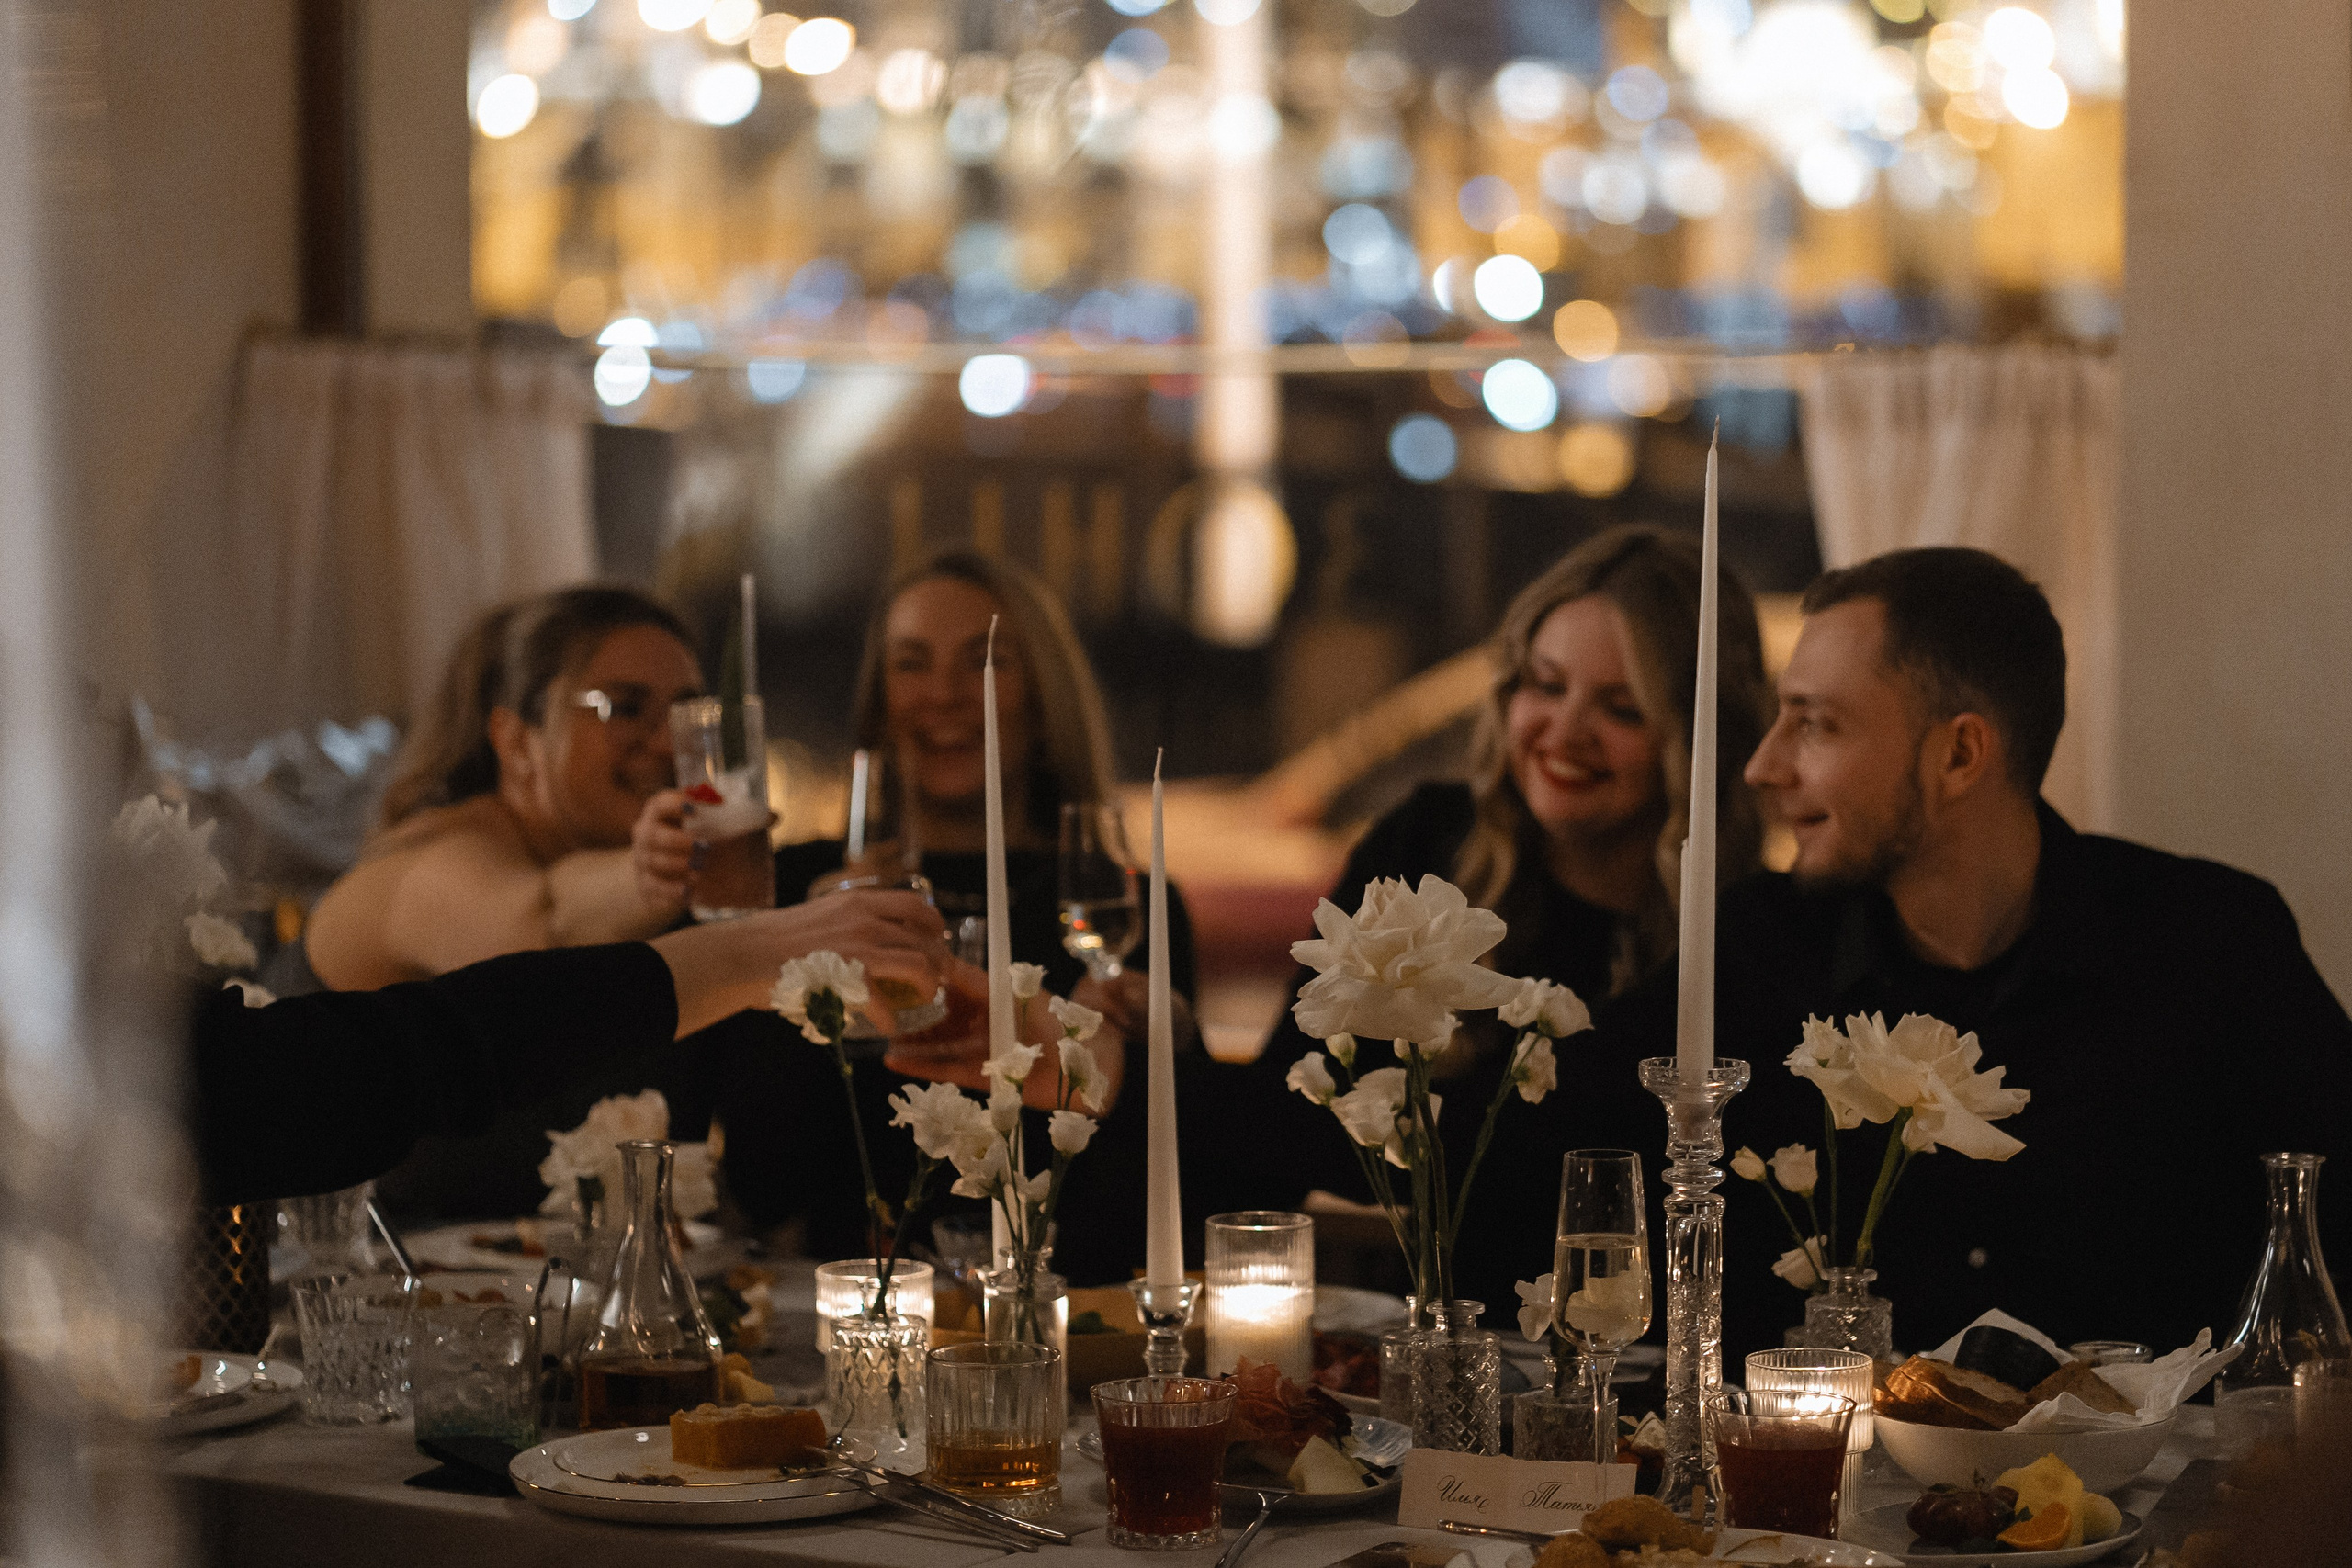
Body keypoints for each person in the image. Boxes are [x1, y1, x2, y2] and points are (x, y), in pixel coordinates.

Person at [1657, 547, 2352, 1359]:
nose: (1764, 765)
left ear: (1959, 755)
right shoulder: (1754, 950)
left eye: (1816, 723)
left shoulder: (2210, 944)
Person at [1240, 525, 1773, 1314]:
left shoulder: (1750, 933)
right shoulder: (1428, 844)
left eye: (1621, 708)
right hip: (1430, 1339)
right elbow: (1285, 1110)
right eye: (1544, 684)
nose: (1563, 730)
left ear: (1703, 739)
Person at [690, 549, 1203, 1283]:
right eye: (911, 663)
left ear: (1043, 693)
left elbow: (1163, 1208)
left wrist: (1160, 1053)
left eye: (983, 662)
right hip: (852, 1324)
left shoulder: (1124, 909)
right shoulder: (805, 888)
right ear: (878, 701)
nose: (945, 694)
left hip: (1064, 1332)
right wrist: (803, 958)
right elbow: (763, 1186)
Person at [194, 890, 947, 1201]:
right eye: (619, 706)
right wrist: (732, 952)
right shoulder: (458, 850)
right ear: (514, 736)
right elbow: (411, 1051)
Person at [306, 586, 705, 989]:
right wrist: (658, 870)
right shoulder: (433, 859)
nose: (667, 744)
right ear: (515, 741)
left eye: (686, 714)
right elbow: (546, 925)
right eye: (625, 708)